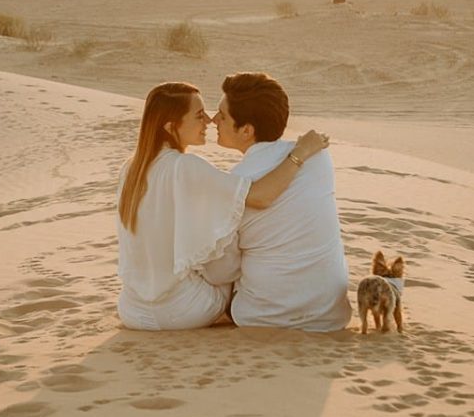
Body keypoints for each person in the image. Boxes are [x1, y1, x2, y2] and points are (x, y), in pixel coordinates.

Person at [116, 81, 329, 331]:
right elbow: (261, 196)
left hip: (132, 310)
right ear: (171, 127)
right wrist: (300, 153)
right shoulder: (185, 167)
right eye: (199, 115)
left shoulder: (129, 169)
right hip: (181, 311)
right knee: (231, 265)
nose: (209, 120)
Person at [202, 73, 351, 332]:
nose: (214, 120)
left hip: (263, 316)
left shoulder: (237, 182)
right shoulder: (317, 156)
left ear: (247, 130)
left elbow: (220, 273)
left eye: (223, 116)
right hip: (330, 314)